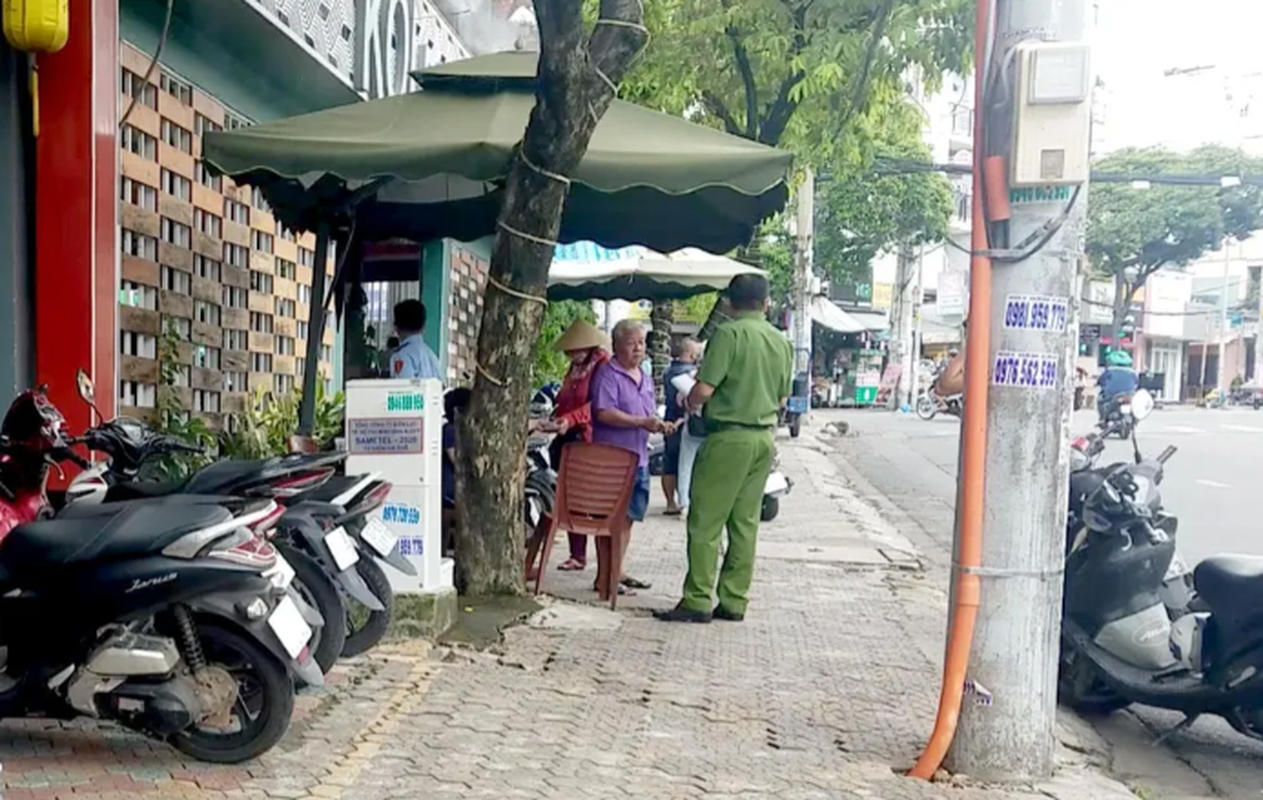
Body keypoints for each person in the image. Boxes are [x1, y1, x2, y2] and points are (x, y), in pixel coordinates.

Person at [656, 274, 792, 623]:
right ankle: (734, 601)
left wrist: (689, 402)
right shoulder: (780, 341)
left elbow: (704, 390)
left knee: (705, 521)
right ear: (766, 304)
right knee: (745, 523)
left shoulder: (728, 334)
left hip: (728, 436)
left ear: (730, 303)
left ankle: (698, 599)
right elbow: (782, 398)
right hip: (763, 437)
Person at [590, 319, 672, 594]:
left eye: (642, 342)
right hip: (612, 462)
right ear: (616, 346)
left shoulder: (645, 376)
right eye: (631, 343)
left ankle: (616, 572)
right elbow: (604, 413)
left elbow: (647, 413)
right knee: (608, 521)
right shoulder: (608, 375)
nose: (638, 348)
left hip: (640, 459)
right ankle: (605, 577)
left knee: (628, 520)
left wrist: (659, 424)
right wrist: (640, 422)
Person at [547, 319, 612, 572]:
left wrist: (571, 419)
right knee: (569, 495)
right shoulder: (573, 369)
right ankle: (577, 554)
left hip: (588, 438)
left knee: (589, 498)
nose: (571, 354)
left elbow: (597, 404)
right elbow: (564, 399)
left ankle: (601, 563)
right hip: (567, 437)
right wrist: (556, 419)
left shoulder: (602, 366)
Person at [661, 338, 702, 516]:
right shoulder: (690, 373)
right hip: (685, 422)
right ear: (692, 354)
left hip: (669, 419)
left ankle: (671, 502)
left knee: (669, 462)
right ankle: (684, 500)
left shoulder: (668, 370)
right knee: (686, 464)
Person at [390, 299, 443, 381]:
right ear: (423, 327)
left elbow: (403, 390)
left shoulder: (402, 356)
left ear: (396, 327)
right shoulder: (432, 357)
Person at [1097, 350, 1139, 421]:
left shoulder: (1110, 370)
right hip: (1129, 395)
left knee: (1100, 400)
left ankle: (1103, 419)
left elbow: (1101, 380)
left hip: (1112, 395)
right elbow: (1136, 382)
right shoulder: (1132, 372)